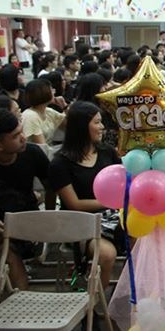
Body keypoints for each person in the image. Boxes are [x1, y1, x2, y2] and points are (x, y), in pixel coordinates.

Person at [47, 101, 119, 288]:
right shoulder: (60, 164)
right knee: (106, 255)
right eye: (97, 122)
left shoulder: (107, 152)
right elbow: (75, 204)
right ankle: (96, 300)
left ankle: (131, 293)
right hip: (81, 222)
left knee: (143, 241)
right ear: (81, 127)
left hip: (114, 217)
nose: (102, 127)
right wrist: (111, 202)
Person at [0, 109, 54, 289]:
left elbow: (51, 188)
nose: (23, 137)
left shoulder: (33, 153)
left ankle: (20, 295)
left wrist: (50, 215)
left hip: (27, 222)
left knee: (6, 246)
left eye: (21, 131)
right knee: (1, 241)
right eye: (15, 136)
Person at [20, 79, 66, 148]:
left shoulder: (48, 111)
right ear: (44, 93)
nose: (54, 91)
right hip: (39, 153)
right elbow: (43, 148)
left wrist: (64, 106)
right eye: (51, 90)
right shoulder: (30, 115)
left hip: (49, 149)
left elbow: (69, 125)